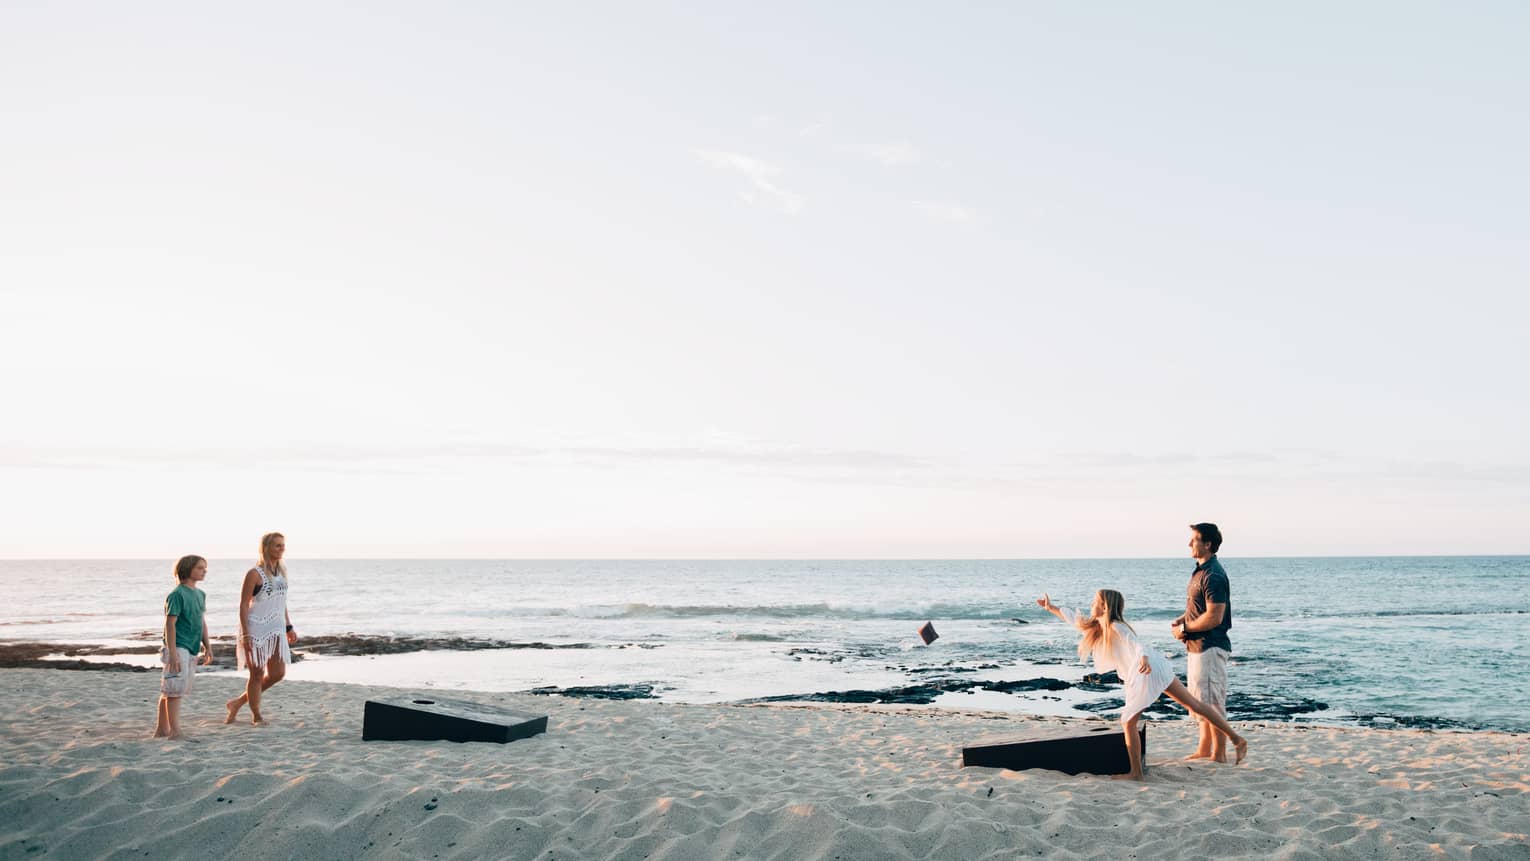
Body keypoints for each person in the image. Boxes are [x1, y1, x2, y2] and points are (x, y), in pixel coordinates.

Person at [1037, 589, 1246, 780]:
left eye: (1095, 601)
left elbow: (1136, 644)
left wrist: (1144, 658)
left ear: (1105, 606)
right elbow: (1074, 619)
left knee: (1127, 720)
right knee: (1193, 704)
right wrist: (1050, 607)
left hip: (1145, 668)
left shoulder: (1115, 626)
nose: (1092, 604)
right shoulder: (1097, 627)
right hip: (1155, 666)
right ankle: (1236, 739)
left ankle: (1136, 773)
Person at [1171, 522, 1233, 762]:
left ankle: (1219, 755)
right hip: (1197, 647)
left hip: (1210, 646)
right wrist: (1182, 621)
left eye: (1194, 539)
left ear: (1207, 544)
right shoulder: (1200, 571)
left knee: (1212, 703)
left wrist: (1185, 627)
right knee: (1200, 701)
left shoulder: (1213, 574)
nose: (1189, 544)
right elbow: (1199, 610)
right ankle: (1204, 749)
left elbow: (1214, 616)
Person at [225, 532, 297, 726]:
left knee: (277, 674)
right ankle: (256, 715)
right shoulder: (254, 574)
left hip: (277, 629)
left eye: (283, 545)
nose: (281, 549)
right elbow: (243, 605)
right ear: (266, 548)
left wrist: (289, 626)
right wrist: (246, 633)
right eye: (277, 546)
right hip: (256, 627)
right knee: (256, 674)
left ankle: (238, 702)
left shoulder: (281, 573)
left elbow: (282, 603)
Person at [152, 555, 213, 740]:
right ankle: (175, 731)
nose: (204, 571)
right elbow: (170, 624)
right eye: (200, 567)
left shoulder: (200, 594)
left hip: (192, 647)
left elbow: (201, 621)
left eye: (205, 568)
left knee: (172, 689)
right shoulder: (177, 594)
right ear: (187, 569)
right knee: (174, 690)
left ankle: (162, 729)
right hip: (178, 646)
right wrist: (172, 653)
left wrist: (207, 646)